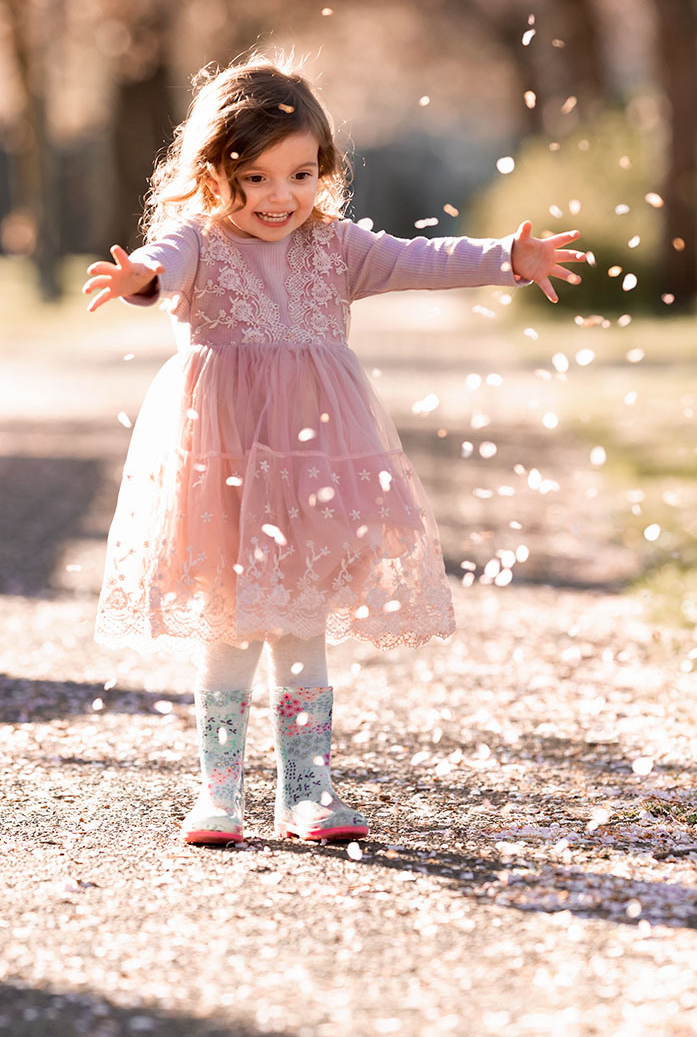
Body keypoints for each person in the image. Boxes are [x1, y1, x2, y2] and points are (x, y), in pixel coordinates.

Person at [83, 53, 586, 847]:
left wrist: (504, 259)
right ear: (213, 175)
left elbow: (417, 259)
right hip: (226, 459)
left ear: (324, 171)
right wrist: (138, 277)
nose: (279, 197)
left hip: (317, 460)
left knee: (302, 620)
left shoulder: (335, 248)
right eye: (254, 178)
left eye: (300, 173)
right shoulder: (198, 241)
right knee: (227, 623)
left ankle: (306, 793)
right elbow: (162, 267)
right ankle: (218, 795)